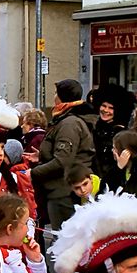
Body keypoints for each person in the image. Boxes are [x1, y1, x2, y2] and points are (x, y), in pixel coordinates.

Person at [30, 79, 96, 231]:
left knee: (64, 240)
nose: (54, 97)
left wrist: (32, 173)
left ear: (61, 97)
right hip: (62, 189)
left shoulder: (69, 123)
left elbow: (62, 161)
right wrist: (42, 156)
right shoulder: (65, 119)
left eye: (56, 93)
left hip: (64, 191)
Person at [92, 84, 133, 181]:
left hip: (113, 182)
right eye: (103, 106)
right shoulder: (94, 127)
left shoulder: (121, 134)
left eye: (111, 108)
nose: (106, 110)